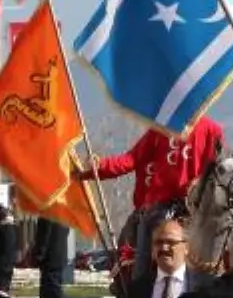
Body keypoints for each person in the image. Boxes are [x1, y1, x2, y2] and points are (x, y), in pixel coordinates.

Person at [75, 117, 222, 281]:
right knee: (145, 245)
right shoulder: (160, 129)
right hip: (161, 205)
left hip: (197, 208)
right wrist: (99, 166)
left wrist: (199, 183)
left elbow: (217, 170)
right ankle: (139, 292)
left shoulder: (212, 130)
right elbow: (131, 159)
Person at [32, 217, 70, 298]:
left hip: (50, 256)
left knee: (52, 286)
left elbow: (44, 236)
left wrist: (39, 254)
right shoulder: (64, 218)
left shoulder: (46, 216)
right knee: (47, 286)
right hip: (60, 256)